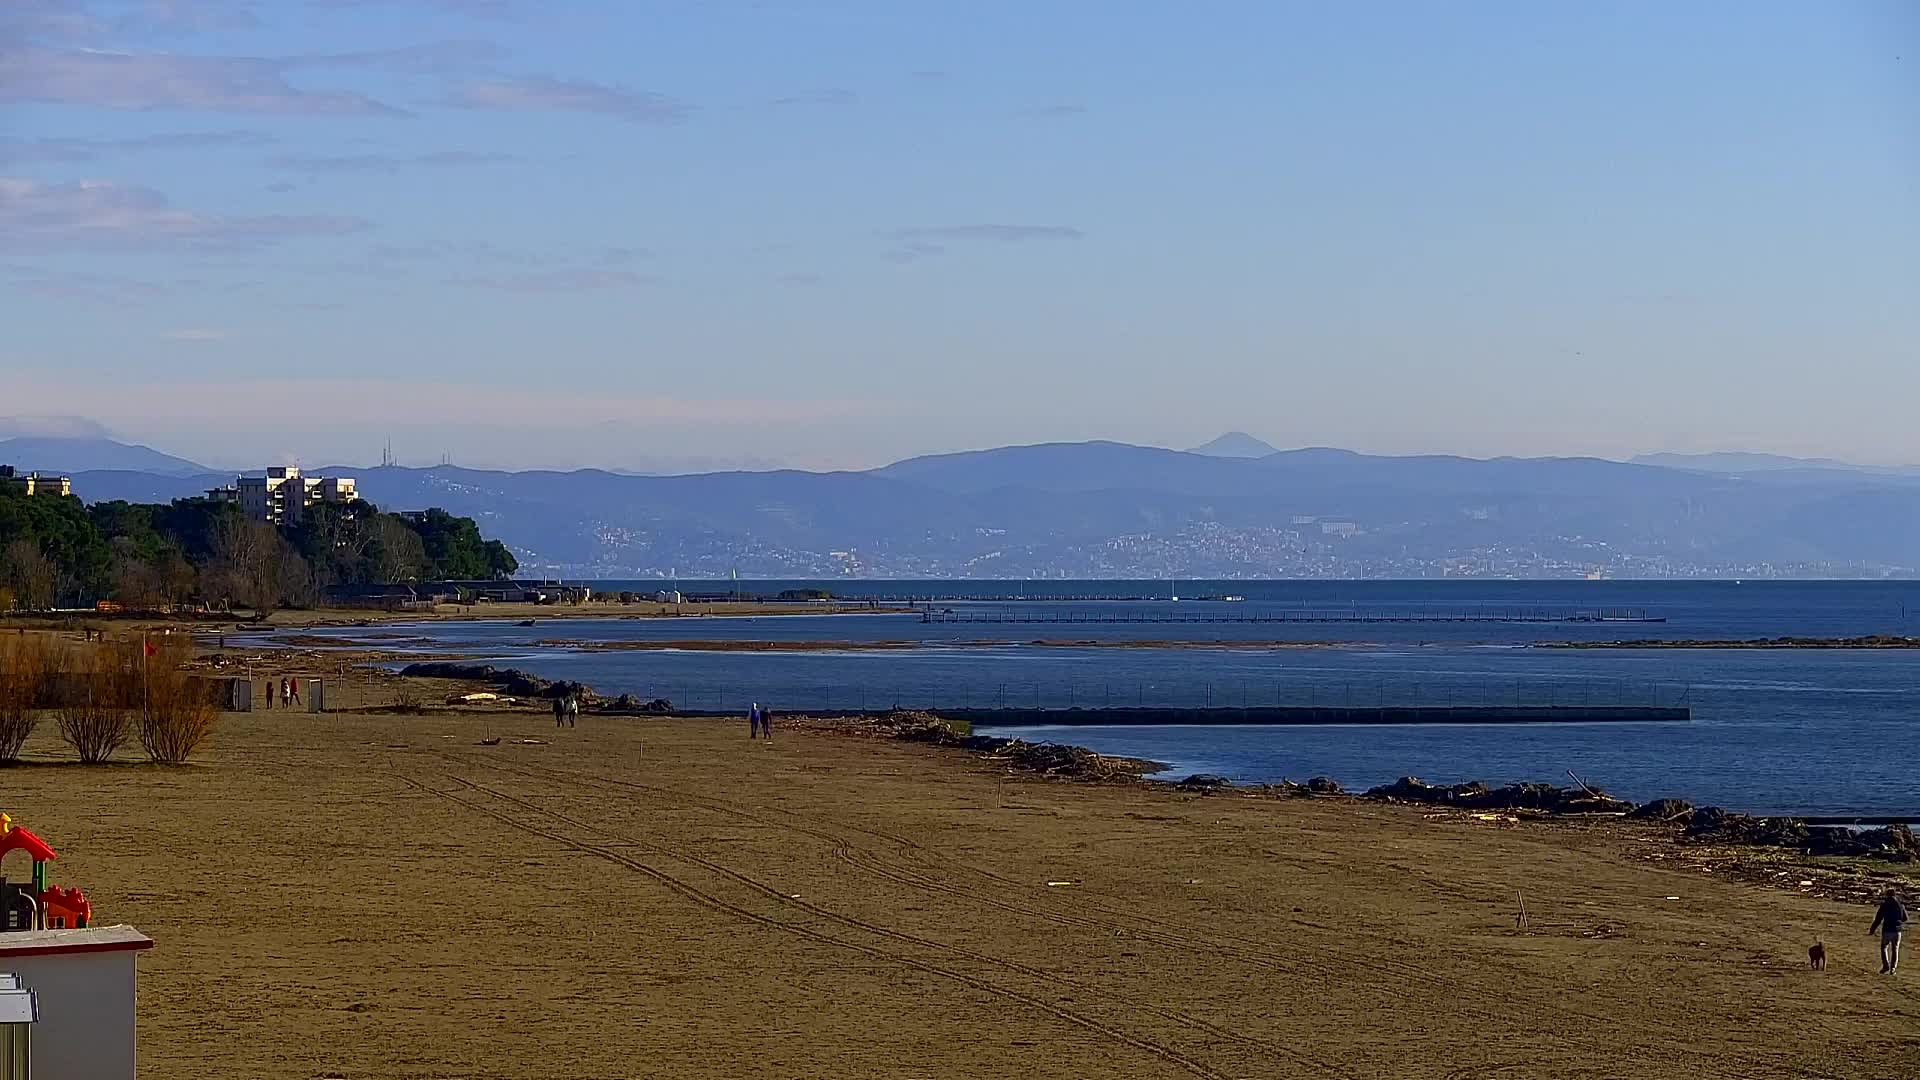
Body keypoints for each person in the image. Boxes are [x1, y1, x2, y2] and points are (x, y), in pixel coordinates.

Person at [1871, 892, 1907, 974]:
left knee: (1884, 947)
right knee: (1895, 949)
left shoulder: (1885, 904)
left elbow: (1878, 918)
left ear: (1887, 895)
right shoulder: (1899, 904)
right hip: (1897, 930)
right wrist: (1898, 922)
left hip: (1887, 929)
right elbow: (1905, 918)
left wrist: (1872, 930)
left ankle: (1886, 965)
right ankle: (1893, 968)